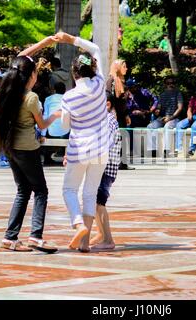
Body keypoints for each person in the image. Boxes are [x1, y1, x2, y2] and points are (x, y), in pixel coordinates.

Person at [0, 35, 62, 253]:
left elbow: (21, 59)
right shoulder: (31, 98)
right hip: (27, 149)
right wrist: (56, 116)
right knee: (41, 191)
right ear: (30, 76)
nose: (36, 76)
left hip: (11, 146)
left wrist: (45, 42)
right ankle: (36, 236)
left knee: (23, 190)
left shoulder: (8, 92)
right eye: (35, 73)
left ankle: (10, 237)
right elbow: (41, 123)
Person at [56, 31, 111, 253]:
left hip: (79, 149)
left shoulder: (68, 97)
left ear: (74, 73)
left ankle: (78, 225)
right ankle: (85, 243)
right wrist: (72, 39)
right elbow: (96, 50)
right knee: (90, 193)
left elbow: (65, 127)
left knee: (69, 189)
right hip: (101, 149)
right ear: (93, 69)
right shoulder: (99, 84)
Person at [89, 95, 122, 250]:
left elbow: (105, 144)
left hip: (105, 167)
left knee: (99, 203)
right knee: (96, 202)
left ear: (107, 104)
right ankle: (101, 234)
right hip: (103, 166)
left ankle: (108, 239)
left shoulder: (108, 121)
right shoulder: (106, 120)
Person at [146, 76, 183, 157]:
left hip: (174, 118)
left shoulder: (178, 93)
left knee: (167, 126)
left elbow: (180, 108)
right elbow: (159, 108)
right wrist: (157, 111)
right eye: (168, 83)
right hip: (163, 117)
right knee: (150, 126)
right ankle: (153, 150)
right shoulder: (162, 95)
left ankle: (167, 150)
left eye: (172, 83)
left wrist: (170, 118)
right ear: (165, 84)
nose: (171, 85)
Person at [106, 59, 132, 169]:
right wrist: (113, 111)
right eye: (124, 66)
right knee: (116, 138)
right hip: (115, 114)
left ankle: (123, 162)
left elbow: (123, 101)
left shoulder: (121, 81)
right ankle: (116, 162)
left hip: (121, 114)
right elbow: (109, 98)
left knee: (123, 137)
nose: (126, 68)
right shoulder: (112, 80)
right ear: (117, 67)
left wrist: (126, 114)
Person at [41, 81, 69, 165]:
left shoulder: (48, 99)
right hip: (65, 132)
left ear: (54, 90)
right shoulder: (68, 99)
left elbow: (45, 116)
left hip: (51, 132)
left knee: (46, 128)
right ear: (65, 90)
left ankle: (47, 158)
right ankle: (67, 156)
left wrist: (42, 134)